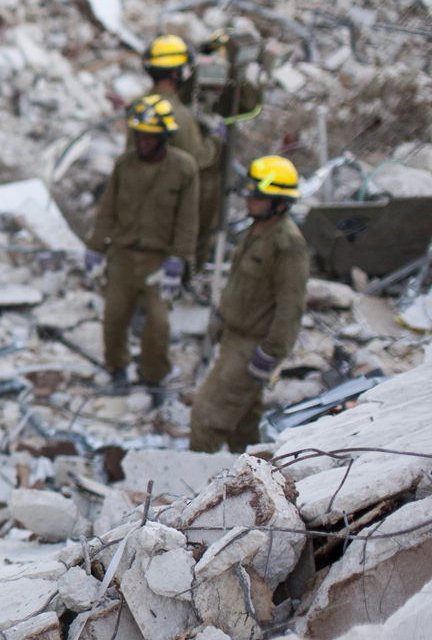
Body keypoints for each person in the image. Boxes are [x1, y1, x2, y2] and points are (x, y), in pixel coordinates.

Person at [190, 156, 307, 452]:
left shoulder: (287, 243)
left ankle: (191, 490)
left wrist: (271, 353)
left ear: (279, 202)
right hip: (234, 335)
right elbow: (240, 284)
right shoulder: (256, 231)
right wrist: (221, 316)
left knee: (207, 416)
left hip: (252, 345)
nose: (250, 200)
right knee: (243, 422)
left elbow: (290, 306)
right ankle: (250, 480)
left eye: (258, 195)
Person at [84, 94, 199, 396]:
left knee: (158, 324)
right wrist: (95, 249)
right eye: (139, 136)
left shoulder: (184, 168)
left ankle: (153, 376)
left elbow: (188, 220)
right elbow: (107, 209)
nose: (143, 143)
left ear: (162, 137)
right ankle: (117, 368)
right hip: (122, 256)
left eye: (149, 138)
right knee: (114, 318)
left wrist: (179, 260)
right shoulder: (125, 164)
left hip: (158, 260)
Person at [133, 35, 225, 267]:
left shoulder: (140, 104)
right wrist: (215, 138)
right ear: (176, 74)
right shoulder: (179, 116)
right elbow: (198, 158)